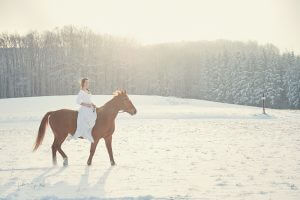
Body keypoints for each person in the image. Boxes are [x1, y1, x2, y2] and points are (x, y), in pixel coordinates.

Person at [67, 78, 97, 143]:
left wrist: (92, 104)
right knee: (85, 121)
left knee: (94, 118)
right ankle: (84, 134)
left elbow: (88, 100)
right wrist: (86, 105)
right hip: (84, 109)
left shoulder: (88, 90)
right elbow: (77, 101)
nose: (87, 84)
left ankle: (90, 132)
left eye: (88, 82)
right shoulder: (81, 91)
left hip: (90, 107)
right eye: (86, 82)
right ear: (83, 83)